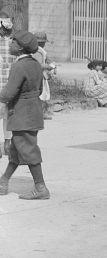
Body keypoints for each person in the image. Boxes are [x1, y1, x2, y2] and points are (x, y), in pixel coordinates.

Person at [0, 31, 49, 200]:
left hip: (22, 114)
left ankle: (41, 187)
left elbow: (8, 94)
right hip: (33, 111)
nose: (10, 44)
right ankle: (3, 181)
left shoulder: (18, 66)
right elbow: (40, 89)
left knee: (28, 150)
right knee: (16, 149)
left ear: (20, 47)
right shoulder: (35, 63)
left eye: (13, 42)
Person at [0, 14, 15, 156]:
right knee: (6, 116)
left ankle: (7, 141)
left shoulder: (13, 43)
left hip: (8, 82)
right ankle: (6, 143)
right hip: (6, 81)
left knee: (7, 115)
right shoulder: (12, 41)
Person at [31, 32, 55, 120]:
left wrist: (51, 63)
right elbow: (39, 65)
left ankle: (41, 112)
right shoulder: (38, 51)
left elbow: (47, 59)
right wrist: (49, 67)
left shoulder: (40, 51)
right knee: (41, 94)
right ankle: (40, 113)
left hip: (40, 76)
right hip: (39, 76)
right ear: (42, 43)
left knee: (42, 94)